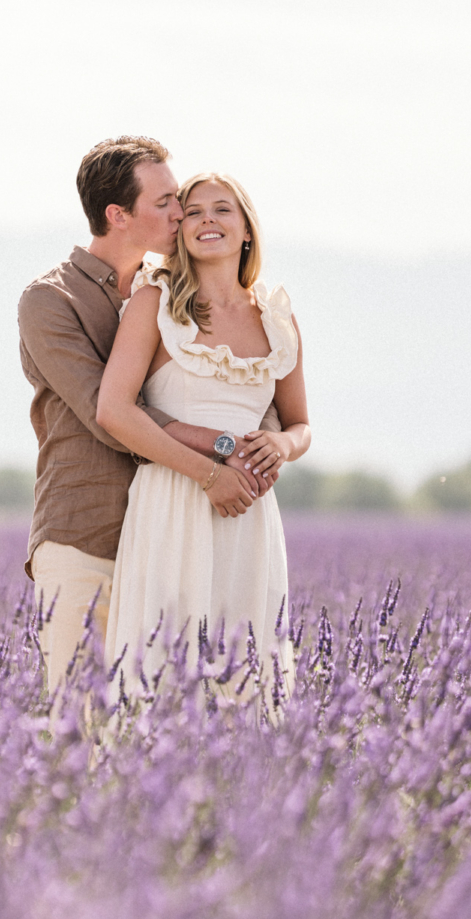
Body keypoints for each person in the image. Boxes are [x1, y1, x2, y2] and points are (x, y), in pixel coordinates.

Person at [18, 138, 283, 693]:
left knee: (164, 724)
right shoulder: (51, 302)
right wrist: (221, 449)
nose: (180, 212)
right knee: (83, 728)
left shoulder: (172, 295)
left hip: (172, 541)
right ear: (118, 215)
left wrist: (270, 442)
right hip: (86, 537)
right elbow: (108, 414)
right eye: (164, 202)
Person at [97, 172, 311, 704]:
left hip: (250, 516)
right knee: (161, 671)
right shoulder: (157, 302)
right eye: (192, 212)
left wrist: (281, 446)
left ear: (246, 231)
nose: (206, 220)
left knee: (245, 675)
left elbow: (299, 424)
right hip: (172, 504)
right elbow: (115, 411)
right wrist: (210, 472)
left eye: (222, 210)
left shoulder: (276, 317)